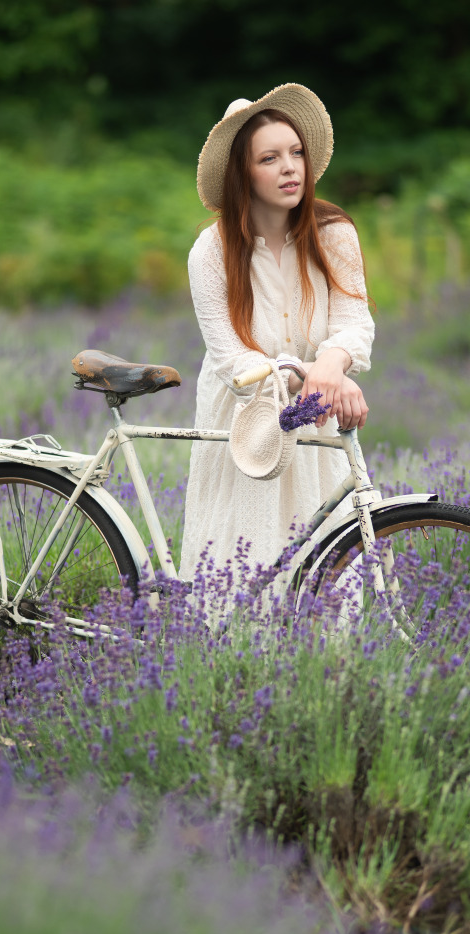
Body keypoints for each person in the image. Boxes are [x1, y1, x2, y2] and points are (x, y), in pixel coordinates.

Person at [180, 83, 374, 582]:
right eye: (270, 158)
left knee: (325, 562)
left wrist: (331, 367)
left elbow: (353, 322)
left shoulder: (334, 233)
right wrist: (314, 374)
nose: (290, 167)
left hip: (314, 415)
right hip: (246, 423)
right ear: (242, 174)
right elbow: (233, 362)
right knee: (240, 559)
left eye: (296, 153)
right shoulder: (211, 252)